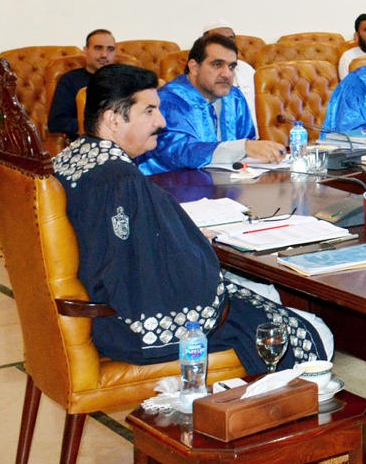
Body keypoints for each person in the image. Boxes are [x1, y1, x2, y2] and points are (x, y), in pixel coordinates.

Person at [53, 65, 329, 374]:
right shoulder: (118, 179)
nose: (161, 121)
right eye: (149, 111)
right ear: (113, 119)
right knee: (308, 330)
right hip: (129, 325)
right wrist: (196, 245)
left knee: (261, 293)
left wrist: (183, 236)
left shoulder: (72, 158)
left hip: (93, 314)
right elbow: (144, 272)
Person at [138, 33, 286, 174]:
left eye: (231, 66)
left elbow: (248, 140)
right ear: (194, 67)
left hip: (227, 187)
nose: (227, 74)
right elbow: (178, 152)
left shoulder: (234, 97)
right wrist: (243, 148)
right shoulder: (169, 100)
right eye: (217, 65)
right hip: (173, 186)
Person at [47, 29, 117, 140]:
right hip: (87, 144)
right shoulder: (70, 80)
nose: (104, 54)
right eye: (98, 48)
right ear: (85, 51)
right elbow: (57, 122)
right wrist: (98, 128)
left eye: (110, 49)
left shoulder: (124, 79)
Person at [201, 23, 256, 121]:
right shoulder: (201, 71)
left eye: (231, 39)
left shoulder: (245, 68)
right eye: (220, 39)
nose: (227, 43)